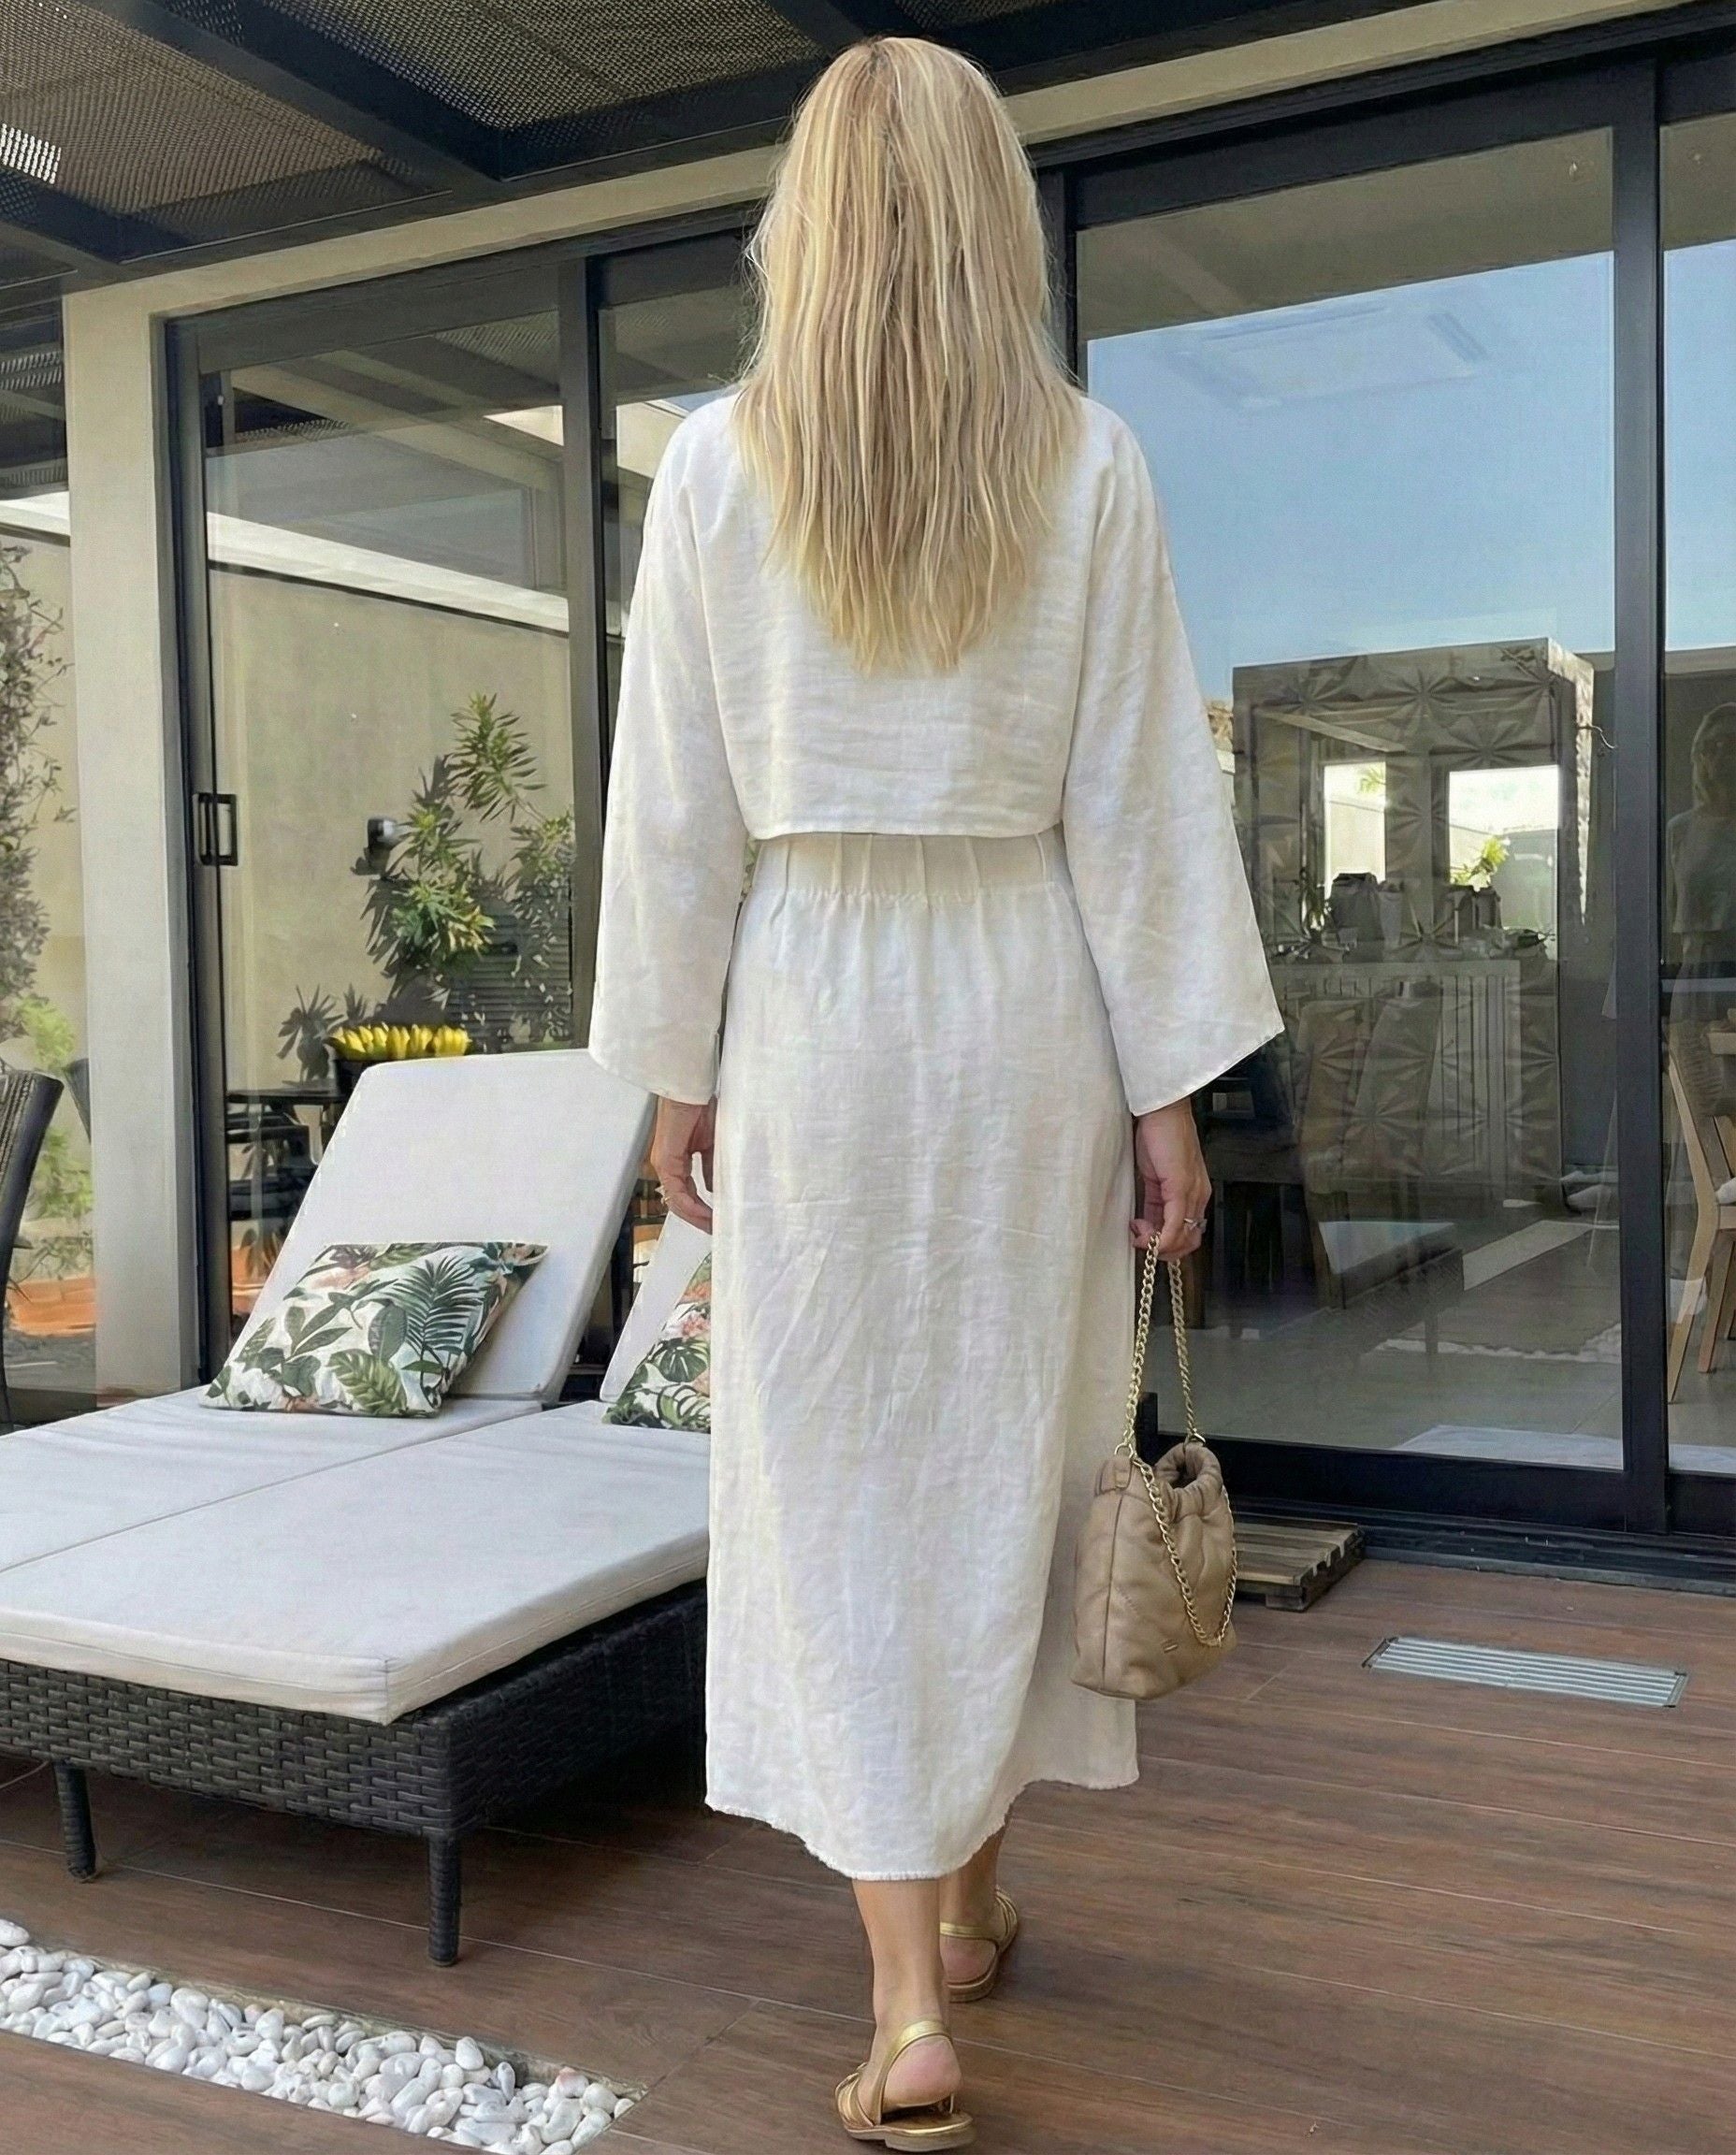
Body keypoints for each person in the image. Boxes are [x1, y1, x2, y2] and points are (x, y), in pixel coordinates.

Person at [588, 36, 1280, 2150]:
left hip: (809, 1007)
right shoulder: (1087, 462)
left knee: (837, 1479)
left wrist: (672, 1070)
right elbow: (1141, 794)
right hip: (1024, 1008)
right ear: (994, 217)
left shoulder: (716, 466)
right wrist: (1167, 1093)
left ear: (800, 220)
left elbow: (672, 805)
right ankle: (968, 1903)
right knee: (1013, 1452)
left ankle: (907, 2007)